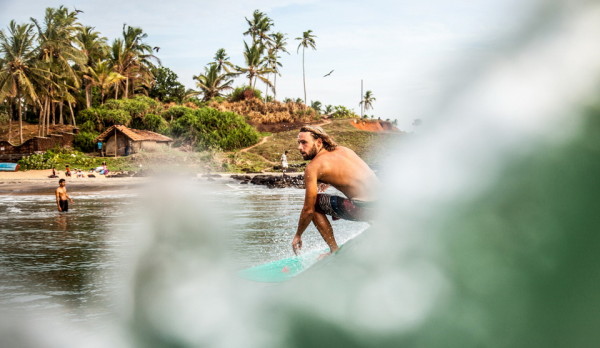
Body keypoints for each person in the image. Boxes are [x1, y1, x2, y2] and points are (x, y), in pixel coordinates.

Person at [292, 125, 379, 255]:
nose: (300, 147)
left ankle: (333, 249)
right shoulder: (344, 150)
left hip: (367, 210)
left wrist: (298, 235)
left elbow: (308, 210)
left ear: (319, 142)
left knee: (314, 205)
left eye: (304, 142)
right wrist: (328, 180)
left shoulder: (313, 167)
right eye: (299, 143)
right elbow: (353, 176)